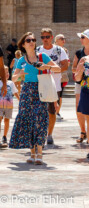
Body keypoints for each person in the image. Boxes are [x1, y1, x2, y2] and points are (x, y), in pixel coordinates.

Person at [10, 32, 60, 165]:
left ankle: (40, 153)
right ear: (23, 44)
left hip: (41, 90)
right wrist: (20, 73)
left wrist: (46, 66)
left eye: (33, 40)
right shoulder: (21, 60)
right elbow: (13, 78)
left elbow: (58, 68)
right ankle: (32, 153)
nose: (32, 42)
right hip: (26, 92)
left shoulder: (42, 56)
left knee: (40, 119)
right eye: (28, 40)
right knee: (28, 121)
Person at [37, 28, 69, 145]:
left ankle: (49, 134)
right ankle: (40, 133)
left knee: (52, 111)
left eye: (47, 37)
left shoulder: (59, 50)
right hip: (40, 83)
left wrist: (52, 69)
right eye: (43, 37)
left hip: (54, 84)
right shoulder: (37, 50)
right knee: (39, 111)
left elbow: (65, 65)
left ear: (51, 37)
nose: (45, 39)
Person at [73, 29, 89, 143]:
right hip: (80, 83)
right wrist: (80, 69)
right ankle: (82, 131)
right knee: (79, 107)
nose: (81, 39)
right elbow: (73, 68)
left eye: (83, 37)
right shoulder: (78, 53)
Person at [0, 66, 19, 147]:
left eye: (8, 72)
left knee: (6, 121)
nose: (7, 74)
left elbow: (15, 93)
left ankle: (4, 136)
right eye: (5, 73)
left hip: (9, 106)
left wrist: (20, 100)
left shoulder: (11, 83)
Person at [54, 34, 70, 120]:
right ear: (56, 40)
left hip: (61, 76)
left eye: (64, 38)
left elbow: (68, 63)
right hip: (52, 75)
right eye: (61, 38)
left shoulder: (65, 50)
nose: (64, 40)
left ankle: (57, 112)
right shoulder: (52, 49)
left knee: (59, 95)